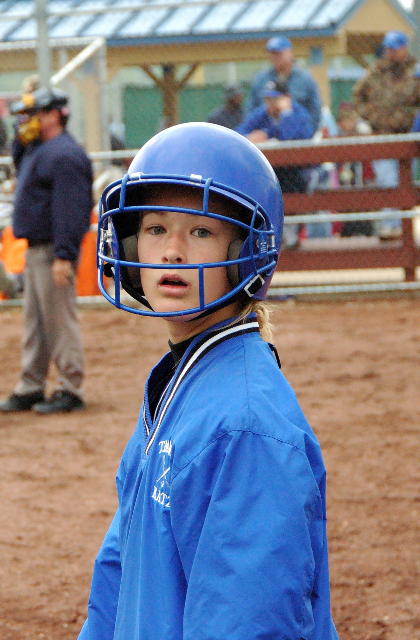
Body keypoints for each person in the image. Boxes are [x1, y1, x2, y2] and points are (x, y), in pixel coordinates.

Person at [77, 122, 339, 639]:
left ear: (246, 250)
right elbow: (120, 572)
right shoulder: (181, 380)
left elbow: (248, 619)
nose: (172, 252)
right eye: (156, 229)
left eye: (201, 232)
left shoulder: (245, 423)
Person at [0, 88, 93, 414]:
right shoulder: (40, 149)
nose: (27, 121)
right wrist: (20, 140)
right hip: (36, 249)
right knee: (36, 323)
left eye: (34, 114)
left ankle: (71, 388)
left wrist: (64, 256)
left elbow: (71, 210)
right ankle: (31, 385)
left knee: (59, 321)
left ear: (54, 115)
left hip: (53, 249)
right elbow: (20, 162)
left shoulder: (64, 154)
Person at [353, 30, 420, 240]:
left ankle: (403, 230)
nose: (391, 53)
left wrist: (408, 116)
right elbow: (358, 97)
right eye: (388, 49)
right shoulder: (375, 72)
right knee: (387, 180)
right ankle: (391, 226)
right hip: (381, 135)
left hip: (407, 137)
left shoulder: (414, 71)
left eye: (395, 49)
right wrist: (371, 116)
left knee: (405, 183)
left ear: (404, 48)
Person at [237, 79, 313, 249]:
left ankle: (289, 234)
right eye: (268, 99)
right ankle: (274, 236)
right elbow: (239, 132)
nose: (271, 104)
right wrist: (252, 137)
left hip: (297, 173)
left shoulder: (298, 114)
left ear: (287, 98)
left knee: (292, 187)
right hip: (269, 173)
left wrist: (285, 115)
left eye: (276, 99)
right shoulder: (262, 114)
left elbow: (290, 137)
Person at [247, 35, 321, 135]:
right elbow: (250, 110)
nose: (275, 57)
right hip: (266, 136)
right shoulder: (261, 80)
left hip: (298, 136)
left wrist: (306, 135)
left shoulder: (305, 79)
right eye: (272, 53)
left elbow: (315, 111)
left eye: (278, 53)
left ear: (289, 53)